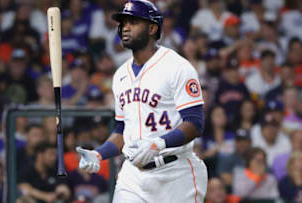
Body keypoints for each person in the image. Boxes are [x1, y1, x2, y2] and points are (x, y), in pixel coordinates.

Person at [76, 1, 207, 202]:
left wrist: (158, 143)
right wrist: (99, 154)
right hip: (133, 176)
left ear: (153, 28)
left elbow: (195, 123)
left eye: (133, 22)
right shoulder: (120, 75)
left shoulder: (178, 67)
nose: (125, 27)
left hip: (175, 174)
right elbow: (121, 131)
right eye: (123, 23)